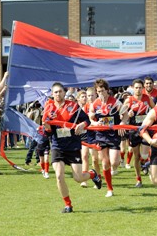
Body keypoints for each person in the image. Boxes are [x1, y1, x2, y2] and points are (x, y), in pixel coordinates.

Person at [42, 82, 102, 213]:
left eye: (60, 91)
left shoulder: (73, 106)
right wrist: (46, 129)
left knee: (78, 178)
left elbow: (86, 120)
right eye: (55, 92)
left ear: (65, 92)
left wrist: (82, 125)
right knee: (59, 175)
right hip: (58, 146)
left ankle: (93, 174)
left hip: (73, 146)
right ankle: (68, 205)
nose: (58, 94)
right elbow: (47, 132)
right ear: (52, 94)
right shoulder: (48, 108)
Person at [89, 79, 129, 198]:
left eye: (102, 91)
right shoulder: (95, 104)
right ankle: (109, 188)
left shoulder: (115, 102)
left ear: (107, 90)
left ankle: (115, 167)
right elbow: (91, 117)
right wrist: (95, 123)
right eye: (98, 91)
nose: (100, 93)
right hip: (101, 135)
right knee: (105, 163)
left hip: (113, 135)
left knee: (114, 162)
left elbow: (125, 115)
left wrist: (122, 123)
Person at [123, 79, 155, 187]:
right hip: (133, 130)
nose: (138, 89)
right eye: (136, 87)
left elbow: (156, 110)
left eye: (140, 87)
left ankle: (144, 162)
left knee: (145, 154)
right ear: (133, 88)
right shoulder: (129, 100)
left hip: (145, 129)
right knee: (136, 156)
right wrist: (128, 114)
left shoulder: (147, 98)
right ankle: (138, 179)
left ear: (143, 88)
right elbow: (121, 115)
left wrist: (151, 114)